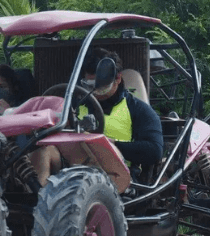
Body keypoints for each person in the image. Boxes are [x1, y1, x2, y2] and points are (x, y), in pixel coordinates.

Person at [33, 48, 164, 185]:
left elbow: (154, 151)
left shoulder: (138, 110)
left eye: (99, 86)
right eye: (89, 86)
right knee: (43, 151)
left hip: (113, 176)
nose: (94, 92)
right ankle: (37, 199)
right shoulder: (74, 106)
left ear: (118, 79)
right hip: (71, 169)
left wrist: (111, 144)